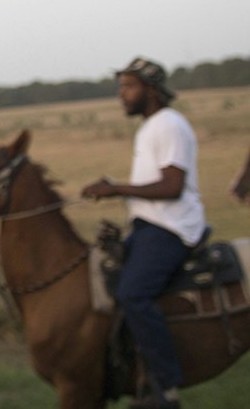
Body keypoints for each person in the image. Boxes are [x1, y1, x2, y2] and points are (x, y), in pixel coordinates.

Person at [81, 57, 205, 409]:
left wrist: (116, 189)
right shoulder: (151, 126)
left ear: (150, 91)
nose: (122, 95)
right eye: (121, 87)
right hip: (151, 224)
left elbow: (172, 187)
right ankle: (132, 375)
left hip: (173, 227)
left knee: (134, 294)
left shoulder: (168, 125)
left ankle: (165, 388)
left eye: (129, 87)